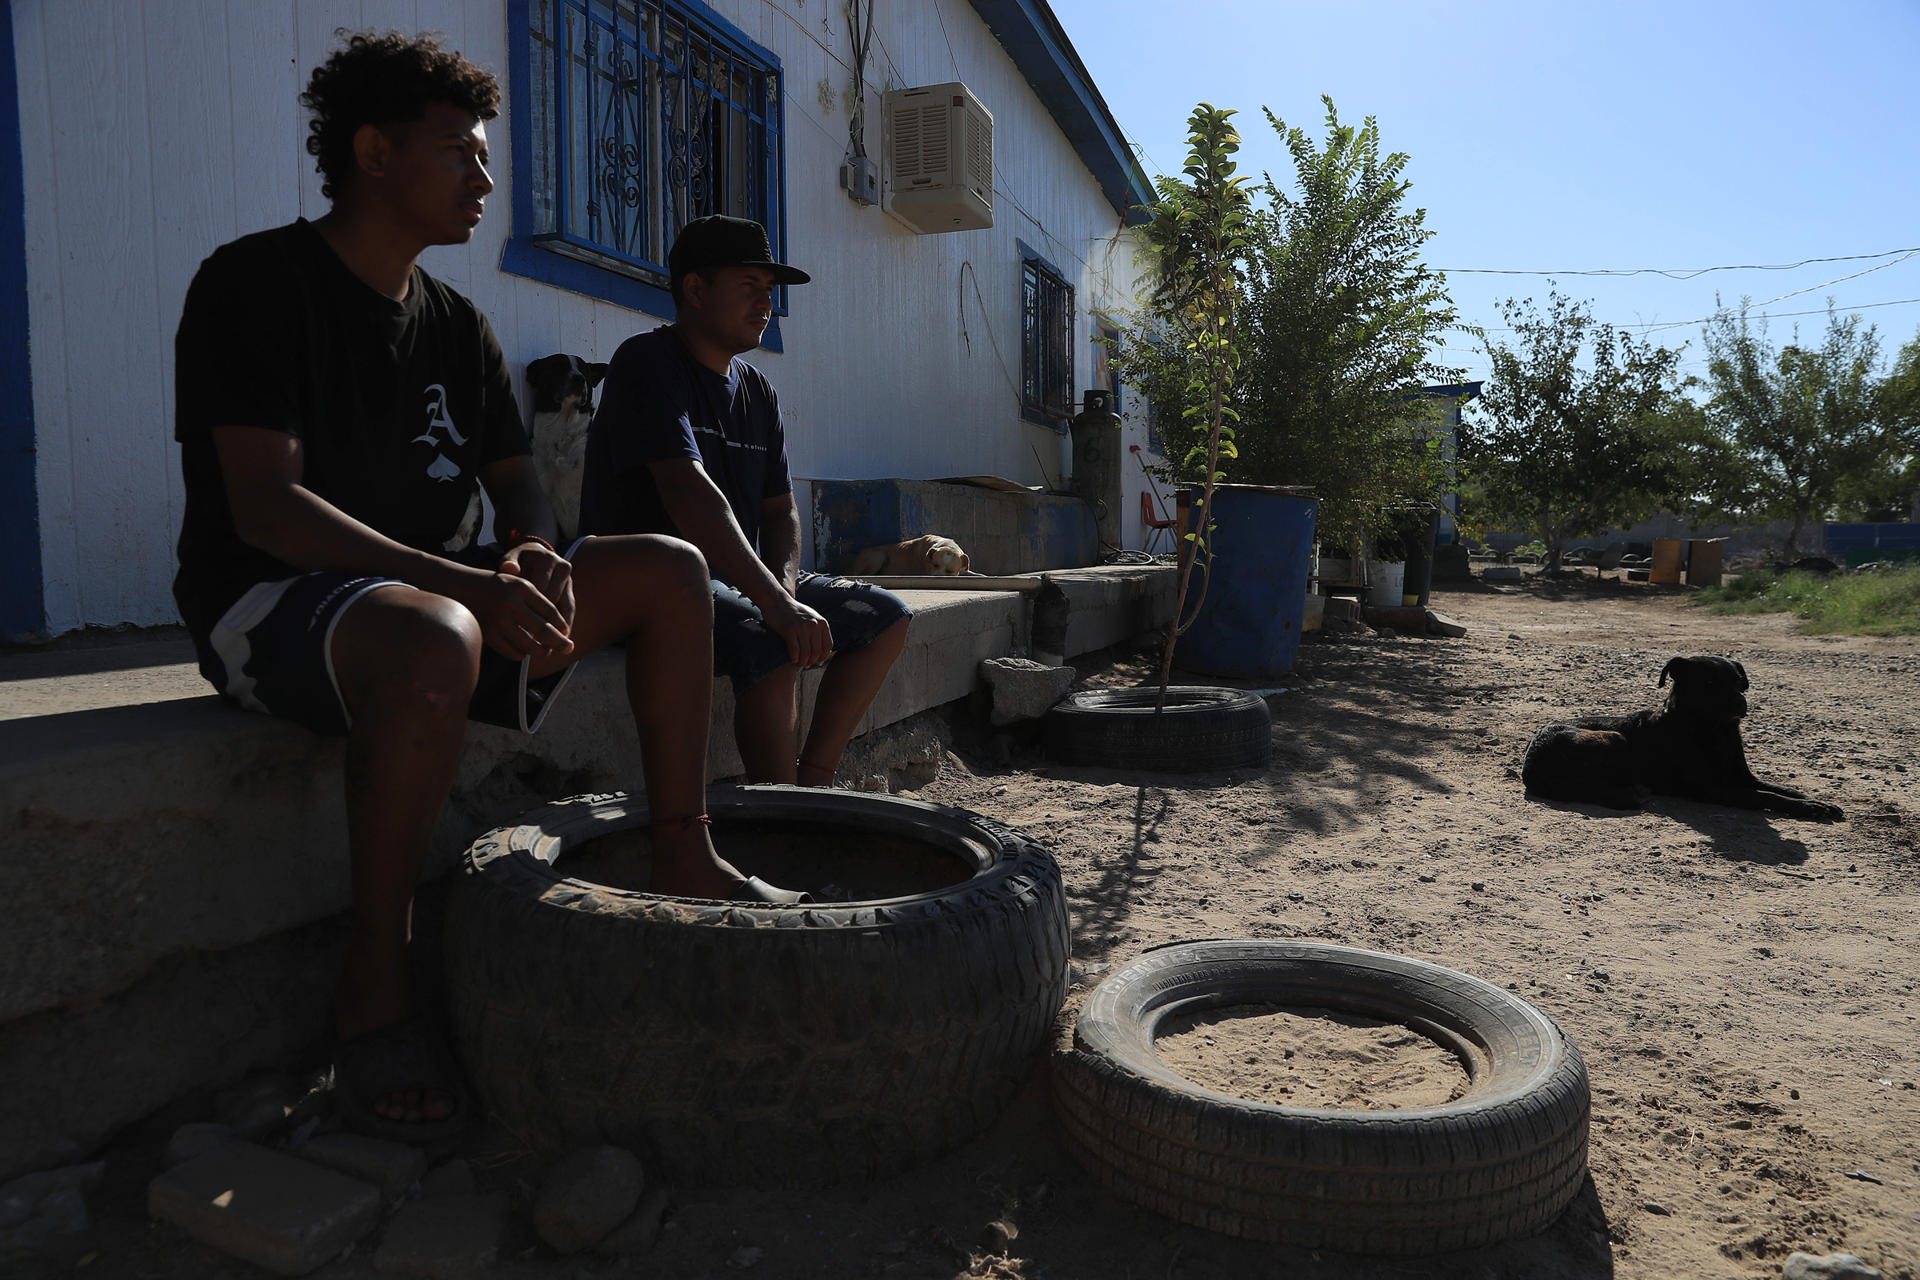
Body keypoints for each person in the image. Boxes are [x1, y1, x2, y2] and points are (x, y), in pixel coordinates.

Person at [172, 33, 801, 1145]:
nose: (486, 179)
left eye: (487, 155)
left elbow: (521, 484)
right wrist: (460, 581)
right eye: (462, 153)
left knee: (667, 569)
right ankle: (376, 985)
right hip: (276, 604)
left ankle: (682, 846)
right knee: (433, 636)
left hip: (444, 607)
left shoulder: (458, 322)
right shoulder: (254, 284)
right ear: (374, 151)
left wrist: (530, 553)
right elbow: (264, 506)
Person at [579, 217, 911, 786]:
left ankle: (814, 784)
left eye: (770, 289)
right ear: (696, 289)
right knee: (768, 637)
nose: (767, 302)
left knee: (884, 617)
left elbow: (780, 511)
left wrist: (782, 589)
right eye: (749, 286)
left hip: (739, 581)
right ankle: (783, 816)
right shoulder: (648, 363)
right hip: (657, 587)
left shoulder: (758, 390)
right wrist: (774, 608)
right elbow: (689, 494)